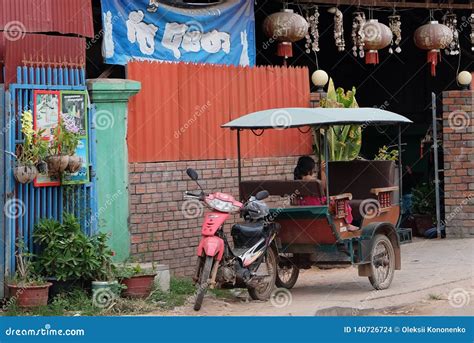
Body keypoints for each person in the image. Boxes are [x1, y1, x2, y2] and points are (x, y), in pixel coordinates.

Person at [293, 156, 358, 232]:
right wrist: (322, 171)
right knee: (343, 202)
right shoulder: (311, 180)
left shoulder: (296, 180)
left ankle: (341, 225)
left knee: (333, 200)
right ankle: (346, 225)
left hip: (304, 205)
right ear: (310, 169)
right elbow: (324, 187)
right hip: (318, 206)